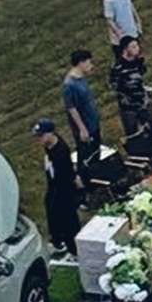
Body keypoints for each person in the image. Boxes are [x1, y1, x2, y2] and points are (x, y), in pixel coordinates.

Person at [35, 121, 82, 255]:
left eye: (42, 135)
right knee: (52, 212)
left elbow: (67, 173)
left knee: (68, 220)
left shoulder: (61, 151)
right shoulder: (49, 147)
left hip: (64, 190)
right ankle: (57, 240)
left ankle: (74, 249)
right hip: (53, 188)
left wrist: (74, 181)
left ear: (51, 133)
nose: (40, 139)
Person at [59, 48, 103, 158]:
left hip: (92, 121)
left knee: (96, 151)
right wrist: (82, 129)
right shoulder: (70, 85)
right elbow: (71, 108)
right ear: (81, 62)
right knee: (87, 154)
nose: (91, 65)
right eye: (89, 62)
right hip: (85, 124)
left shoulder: (81, 78)